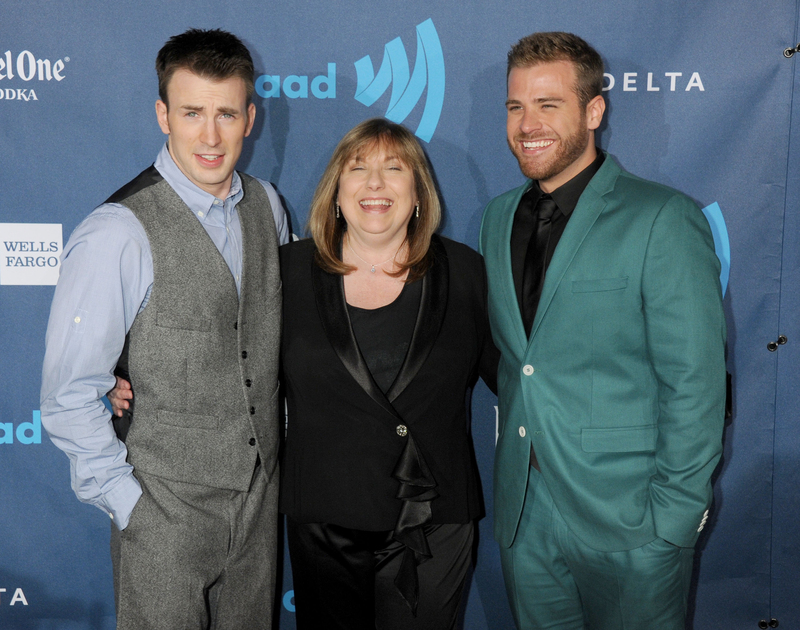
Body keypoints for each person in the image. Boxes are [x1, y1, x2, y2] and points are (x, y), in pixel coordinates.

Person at [40, 28, 288, 629]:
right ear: (163, 115)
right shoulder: (116, 233)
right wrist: (133, 509)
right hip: (162, 513)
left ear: (250, 118)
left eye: (226, 113)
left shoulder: (269, 207)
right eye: (192, 112)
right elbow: (67, 395)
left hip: (259, 508)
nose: (210, 135)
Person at [479, 32, 726, 629]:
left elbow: (695, 381)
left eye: (548, 104)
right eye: (515, 106)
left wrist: (673, 522)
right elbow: (517, 360)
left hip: (632, 520)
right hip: (524, 516)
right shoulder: (497, 217)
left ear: (593, 111)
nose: (527, 123)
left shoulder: (662, 218)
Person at [279, 118, 498, 629]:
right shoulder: (286, 271)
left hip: (434, 521)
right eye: (358, 169)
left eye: (394, 169)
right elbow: (231, 366)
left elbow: (518, 376)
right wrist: (124, 379)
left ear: (419, 192)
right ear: (335, 192)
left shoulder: (466, 272)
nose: (375, 184)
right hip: (324, 519)